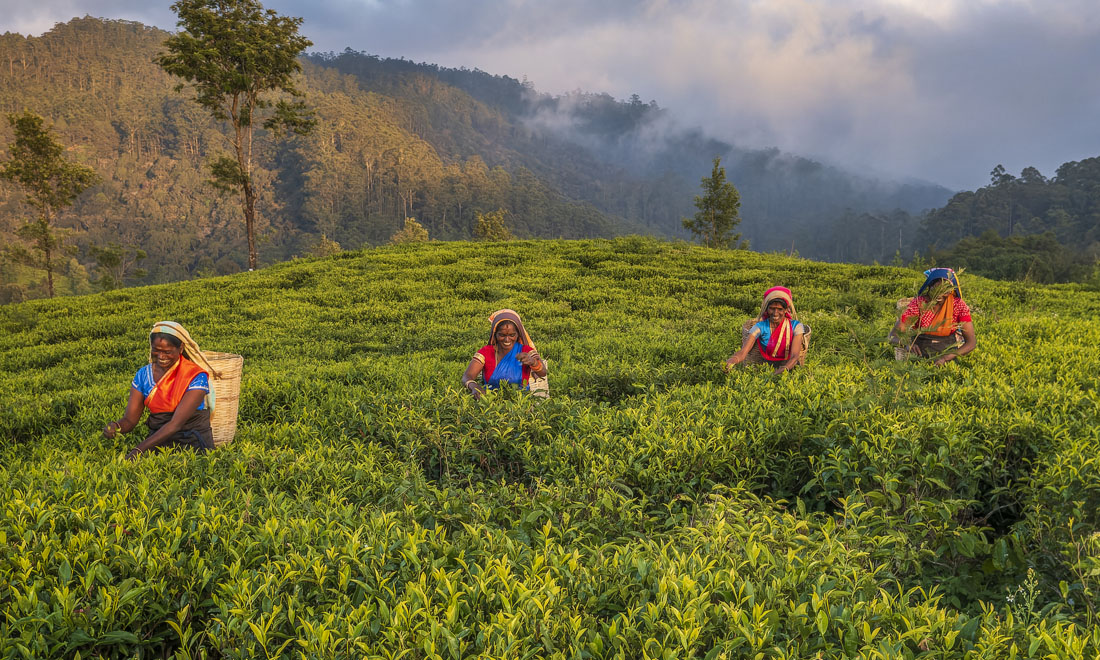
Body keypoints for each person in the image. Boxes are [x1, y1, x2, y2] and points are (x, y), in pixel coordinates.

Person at [103, 321, 217, 459]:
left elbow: (175, 424)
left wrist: (139, 450)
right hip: (158, 442)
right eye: (156, 350)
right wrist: (116, 426)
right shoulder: (143, 375)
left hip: (193, 442)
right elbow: (130, 420)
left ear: (180, 348)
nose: (161, 356)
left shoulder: (195, 376)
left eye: (167, 352)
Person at [889, 268, 976, 365]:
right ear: (930, 287)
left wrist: (946, 358)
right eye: (936, 289)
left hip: (947, 357)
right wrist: (907, 344)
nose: (940, 294)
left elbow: (971, 343)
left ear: (950, 291)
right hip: (919, 356)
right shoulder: (919, 303)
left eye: (945, 291)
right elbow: (893, 335)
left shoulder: (957, 305)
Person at [462, 309, 547, 400]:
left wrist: (533, 362)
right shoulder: (486, 352)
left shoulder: (526, 351)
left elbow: (543, 373)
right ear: (495, 335)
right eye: (502, 335)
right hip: (491, 402)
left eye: (512, 335)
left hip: (520, 404)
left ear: (518, 334)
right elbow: (467, 376)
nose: (507, 340)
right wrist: (475, 387)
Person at [725, 286, 809, 374]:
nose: (775, 313)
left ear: (786, 310)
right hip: (763, 367)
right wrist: (732, 360)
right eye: (772, 308)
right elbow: (743, 352)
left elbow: (795, 356)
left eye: (780, 309)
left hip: (789, 369)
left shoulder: (796, 326)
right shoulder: (760, 327)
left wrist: (780, 371)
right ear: (767, 309)